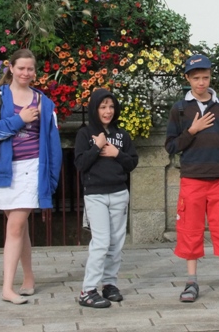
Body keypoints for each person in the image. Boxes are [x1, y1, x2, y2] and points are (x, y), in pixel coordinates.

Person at [0, 49, 63, 305]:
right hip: (4, 170)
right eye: (21, 68)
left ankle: (7, 288)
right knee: (20, 227)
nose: (26, 73)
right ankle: (28, 279)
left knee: (15, 226)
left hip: (32, 168)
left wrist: (51, 178)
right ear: (11, 68)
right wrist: (19, 119)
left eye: (30, 69)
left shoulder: (43, 102)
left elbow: (53, 143)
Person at [165, 54, 219, 303]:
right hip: (192, 179)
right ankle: (191, 281)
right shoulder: (180, 109)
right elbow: (171, 146)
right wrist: (192, 130)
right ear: (187, 78)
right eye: (196, 78)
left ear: (211, 77)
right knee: (190, 230)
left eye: (205, 77)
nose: (201, 82)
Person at [74, 89, 139, 309]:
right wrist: (97, 146)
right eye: (103, 107)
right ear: (94, 109)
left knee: (116, 243)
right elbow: (80, 164)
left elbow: (132, 163)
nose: (108, 111)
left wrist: (116, 153)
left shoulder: (122, 135)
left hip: (119, 193)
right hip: (96, 195)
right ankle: (88, 290)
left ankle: (109, 284)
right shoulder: (85, 134)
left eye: (111, 106)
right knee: (101, 242)